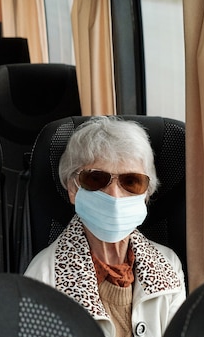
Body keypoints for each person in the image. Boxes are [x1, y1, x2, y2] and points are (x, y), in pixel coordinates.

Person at [24, 116, 185, 337]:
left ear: (146, 194)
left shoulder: (169, 265)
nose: (115, 195)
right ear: (73, 189)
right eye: (97, 179)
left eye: (131, 182)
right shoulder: (42, 277)